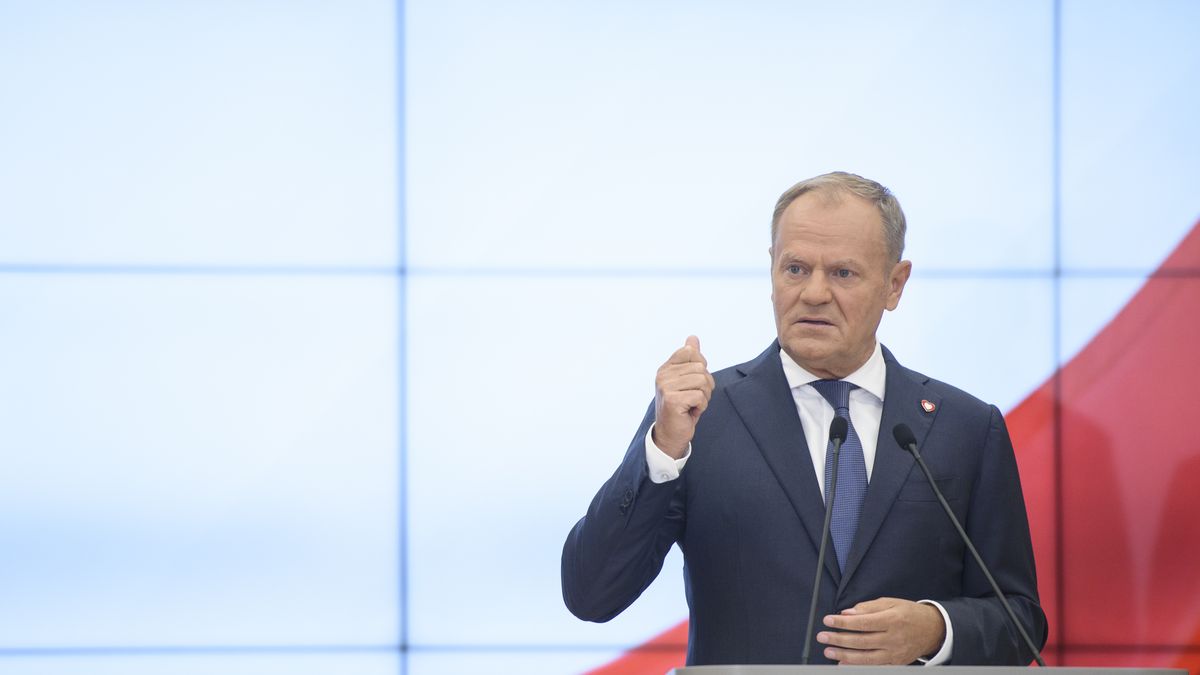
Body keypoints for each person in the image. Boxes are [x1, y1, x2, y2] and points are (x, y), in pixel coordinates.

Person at [561, 171, 1047, 666]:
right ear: (772, 270)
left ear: (894, 285)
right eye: (795, 269)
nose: (813, 293)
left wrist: (935, 630)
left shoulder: (963, 427)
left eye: (843, 273)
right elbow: (592, 594)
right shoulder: (701, 416)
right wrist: (663, 451)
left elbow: (1020, 620)